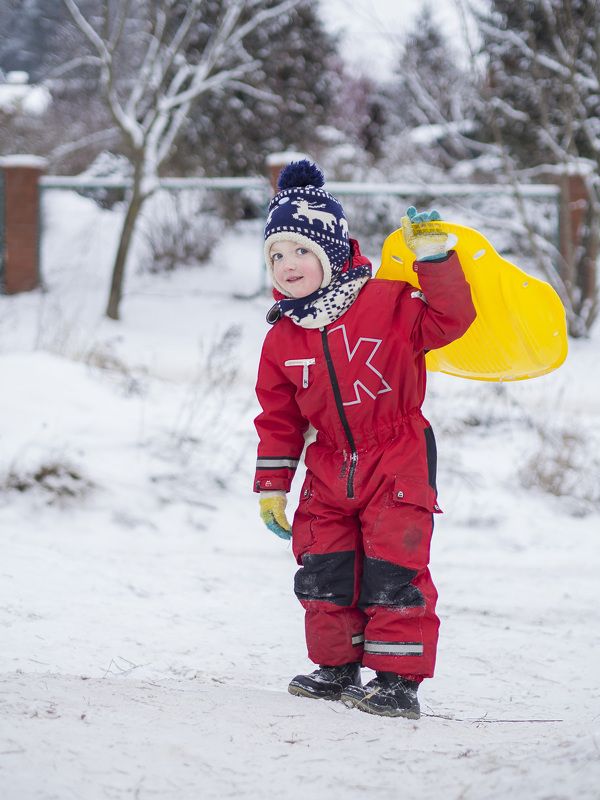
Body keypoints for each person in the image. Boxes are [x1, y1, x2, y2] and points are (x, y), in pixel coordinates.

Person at [253, 159, 476, 719]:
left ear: (331, 251)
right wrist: (273, 485)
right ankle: (336, 667)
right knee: (324, 568)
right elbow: (278, 417)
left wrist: (435, 260)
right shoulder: (283, 337)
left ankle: (397, 681)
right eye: (276, 255)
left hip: (397, 454)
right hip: (328, 464)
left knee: (393, 568)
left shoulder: (389, 303)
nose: (287, 264)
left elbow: (451, 320)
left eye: (301, 250)